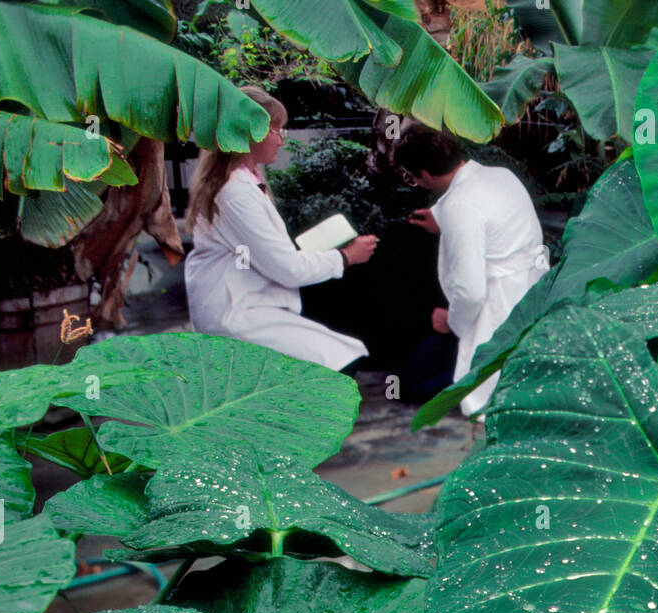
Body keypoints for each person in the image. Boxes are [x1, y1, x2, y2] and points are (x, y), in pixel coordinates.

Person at [184, 86, 378, 372]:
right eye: (277, 130)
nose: (281, 140)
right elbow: (287, 269)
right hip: (237, 315)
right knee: (337, 363)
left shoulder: (245, 181)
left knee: (338, 355)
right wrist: (346, 257)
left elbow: (273, 256)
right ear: (252, 132)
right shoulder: (235, 192)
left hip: (248, 305)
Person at [393, 127, 550, 415]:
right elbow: (493, 225)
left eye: (412, 177)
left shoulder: (458, 205)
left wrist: (450, 322)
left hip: (492, 309)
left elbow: (471, 292)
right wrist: (444, 219)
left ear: (424, 175)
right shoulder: (500, 175)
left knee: (406, 384)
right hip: (529, 294)